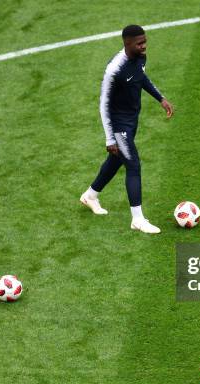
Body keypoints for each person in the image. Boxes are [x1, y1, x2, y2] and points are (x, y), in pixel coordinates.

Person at [80, 24, 174, 234]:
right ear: (127, 43)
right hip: (118, 125)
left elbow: (141, 78)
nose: (144, 46)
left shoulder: (140, 58)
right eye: (140, 43)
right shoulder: (114, 69)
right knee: (133, 165)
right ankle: (137, 219)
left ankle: (91, 195)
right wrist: (109, 139)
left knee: (116, 161)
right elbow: (103, 104)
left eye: (145, 41)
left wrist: (161, 98)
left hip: (132, 121)